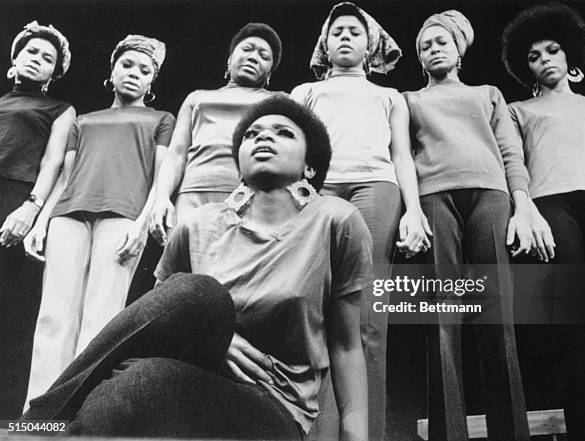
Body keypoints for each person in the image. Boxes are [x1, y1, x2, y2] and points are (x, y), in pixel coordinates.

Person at [23, 95, 371, 441]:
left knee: (139, 380)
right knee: (188, 305)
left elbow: (346, 345)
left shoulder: (335, 220)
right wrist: (216, 339)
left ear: (310, 167)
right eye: (251, 135)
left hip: (270, 403)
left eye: (283, 132)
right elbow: (158, 321)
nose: (263, 137)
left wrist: (354, 437)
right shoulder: (199, 224)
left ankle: (38, 427)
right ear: (239, 164)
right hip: (186, 370)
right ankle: (39, 425)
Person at [291, 4, 429, 439]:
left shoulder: (390, 97)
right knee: (312, 307)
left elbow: (402, 155)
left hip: (377, 190)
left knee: (368, 316)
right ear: (325, 45)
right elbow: (294, 148)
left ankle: (365, 432)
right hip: (319, 192)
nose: (346, 37)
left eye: (355, 31)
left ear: (371, 45)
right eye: (337, 32)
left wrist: (415, 210)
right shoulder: (305, 92)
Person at [403, 10, 540, 441]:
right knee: (441, 319)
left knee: (496, 316)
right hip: (432, 198)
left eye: (441, 42)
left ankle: (511, 431)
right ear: (419, 57)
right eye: (425, 45)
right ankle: (449, 434)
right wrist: (411, 211)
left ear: (459, 50)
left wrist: (522, 205)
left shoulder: (488, 93)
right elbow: (401, 155)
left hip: (490, 195)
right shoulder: (408, 100)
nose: (433, 49)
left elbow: (510, 152)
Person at [23, 35, 175, 409]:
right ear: (112, 69)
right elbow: (64, 176)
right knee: (53, 316)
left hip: (122, 216)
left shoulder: (161, 119)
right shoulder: (85, 120)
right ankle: (36, 414)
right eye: (127, 65)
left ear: (152, 81)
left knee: (101, 317)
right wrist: (40, 222)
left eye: (144, 70)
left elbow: (162, 176)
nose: (134, 74)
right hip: (68, 214)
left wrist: (142, 224)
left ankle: (78, 412)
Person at [503, 4, 585, 439]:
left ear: (570, 56)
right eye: (534, 56)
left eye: (553, 50)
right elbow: (516, 165)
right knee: (573, 320)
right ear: (525, 67)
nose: (545, 59)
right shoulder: (517, 111)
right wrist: (524, 210)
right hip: (552, 209)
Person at [0, 21, 74, 419]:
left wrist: (30, 207)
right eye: (32, 52)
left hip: (16, 202)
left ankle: (9, 419)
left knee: (11, 313)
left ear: (54, 73)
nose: (38, 60)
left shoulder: (59, 110)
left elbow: (53, 162)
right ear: (15, 59)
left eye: (48, 58)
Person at [150, 22, 281, 246]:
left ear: (269, 73)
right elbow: (176, 154)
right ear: (229, 59)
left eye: (264, 56)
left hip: (252, 197)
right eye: (247, 49)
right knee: (186, 276)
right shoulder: (197, 98)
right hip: (193, 195)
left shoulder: (279, 101)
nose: (253, 57)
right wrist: (161, 198)